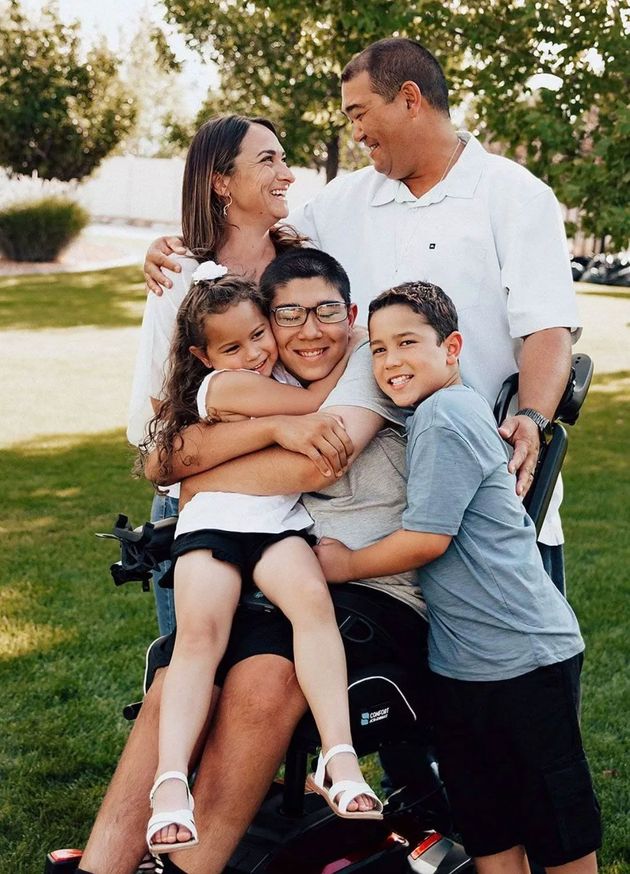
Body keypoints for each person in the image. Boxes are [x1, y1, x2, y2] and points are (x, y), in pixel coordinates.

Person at [144, 37, 580, 593]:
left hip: (486, 489)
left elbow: (548, 328)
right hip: (371, 506)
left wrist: (535, 418)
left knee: (514, 661)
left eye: (359, 112)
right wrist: (177, 248)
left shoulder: (516, 196)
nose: (354, 131)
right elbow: (248, 232)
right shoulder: (344, 201)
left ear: (409, 99)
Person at [79, 249, 422, 874]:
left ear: (350, 315)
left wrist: (200, 480)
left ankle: (191, 863)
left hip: (373, 583)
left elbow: (313, 462)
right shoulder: (266, 380)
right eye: (288, 315)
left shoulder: (366, 369)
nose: (308, 331)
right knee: (182, 678)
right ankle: (107, 863)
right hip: (286, 560)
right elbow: (164, 459)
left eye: (324, 313)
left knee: (263, 680)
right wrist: (224, 455)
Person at [315, 281, 602, 874]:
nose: (392, 361)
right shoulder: (434, 412)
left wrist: (343, 564)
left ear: (451, 347)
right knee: (489, 828)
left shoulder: (446, 416)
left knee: (558, 837)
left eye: (408, 343)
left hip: (525, 658)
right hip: (463, 667)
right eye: (381, 350)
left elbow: (427, 540)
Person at [143, 264, 381, 854]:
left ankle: (339, 758)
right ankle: (170, 782)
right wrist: (353, 339)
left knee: (312, 608)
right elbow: (317, 402)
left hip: (276, 524)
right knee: (201, 638)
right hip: (217, 527)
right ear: (202, 354)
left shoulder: (264, 367)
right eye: (232, 345)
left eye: (258, 335)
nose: (252, 352)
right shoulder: (222, 387)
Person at [126, 112, 350, 635]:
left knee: (277, 670)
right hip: (197, 503)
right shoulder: (179, 275)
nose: (288, 173)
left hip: (286, 505)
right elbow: (162, 418)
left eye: (284, 158)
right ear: (221, 181)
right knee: (194, 660)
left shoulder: (301, 263)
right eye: (268, 160)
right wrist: (272, 427)